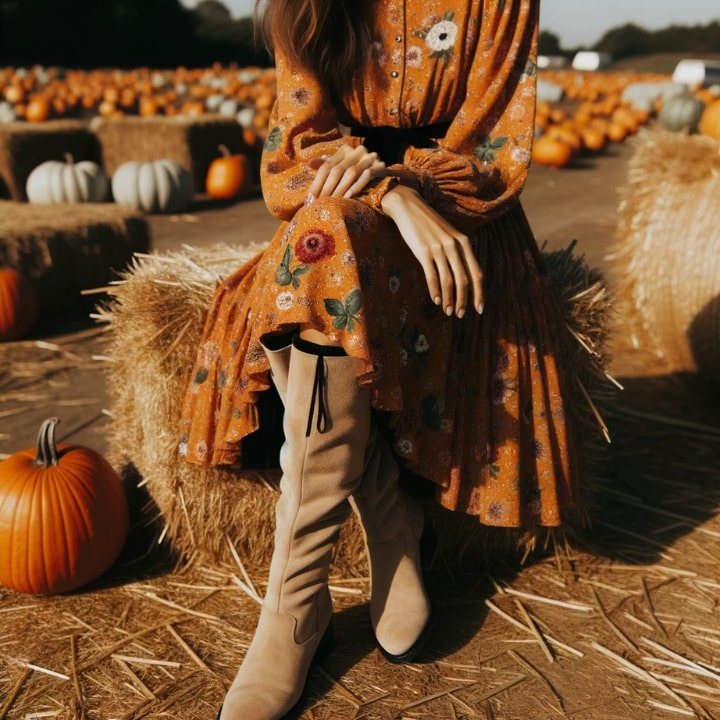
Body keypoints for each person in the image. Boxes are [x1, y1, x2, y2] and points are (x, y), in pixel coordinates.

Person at [178, 1, 582, 717]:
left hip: (458, 221)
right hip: (341, 204)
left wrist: (415, 191)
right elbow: (298, 144)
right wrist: (389, 193)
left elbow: (492, 145)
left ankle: (321, 583)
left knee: (322, 246)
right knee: (325, 239)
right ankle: (319, 581)